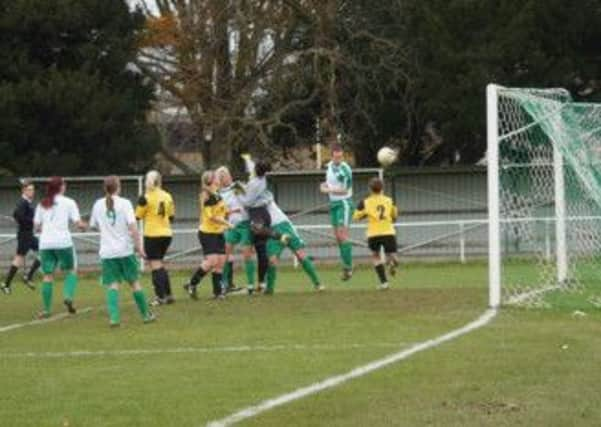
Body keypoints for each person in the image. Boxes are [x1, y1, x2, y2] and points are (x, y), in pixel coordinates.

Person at [89, 176, 155, 327]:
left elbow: (93, 225)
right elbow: (133, 228)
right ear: (118, 187)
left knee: (112, 285)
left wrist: (105, 230)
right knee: (134, 283)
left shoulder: (98, 204)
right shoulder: (125, 203)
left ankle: (114, 319)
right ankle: (146, 315)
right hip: (125, 250)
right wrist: (140, 248)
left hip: (107, 252)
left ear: (105, 188)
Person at [33, 177, 85, 318]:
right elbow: (78, 223)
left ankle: (46, 310)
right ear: (61, 187)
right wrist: (83, 225)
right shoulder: (69, 202)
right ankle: (68, 296)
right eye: (64, 183)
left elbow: (36, 226)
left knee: (48, 276)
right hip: (63, 242)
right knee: (71, 270)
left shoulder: (42, 203)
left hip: (45, 243)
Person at [184, 171, 232, 299]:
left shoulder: (218, 195)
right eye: (216, 177)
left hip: (218, 232)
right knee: (212, 261)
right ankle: (191, 284)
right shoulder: (206, 195)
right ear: (211, 180)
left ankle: (217, 293)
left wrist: (234, 211)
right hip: (207, 233)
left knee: (220, 262)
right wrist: (227, 223)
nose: (219, 178)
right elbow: (211, 217)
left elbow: (223, 211)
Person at [264, 199, 323, 294]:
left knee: (301, 255)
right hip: (272, 231)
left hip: (284, 225)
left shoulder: (265, 196)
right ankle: (269, 289)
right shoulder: (250, 204)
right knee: (272, 260)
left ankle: (318, 284)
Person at [135, 170, 175, 306]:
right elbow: (171, 216)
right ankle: (168, 294)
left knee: (155, 265)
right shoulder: (168, 195)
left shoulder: (146, 197)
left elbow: (137, 216)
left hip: (152, 234)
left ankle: (160, 297)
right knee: (160, 263)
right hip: (167, 234)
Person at [216, 166, 256, 295]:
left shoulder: (237, 186)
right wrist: (230, 212)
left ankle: (251, 285)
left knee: (247, 254)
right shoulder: (218, 194)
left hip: (245, 224)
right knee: (225, 254)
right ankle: (224, 285)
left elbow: (250, 200)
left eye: (226, 175)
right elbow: (220, 213)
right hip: (231, 226)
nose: (226, 178)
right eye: (222, 177)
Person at [353, 177, 399, 290]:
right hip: (388, 231)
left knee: (375, 256)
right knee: (391, 254)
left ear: (370, 189)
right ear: (382, 188)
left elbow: (356, 216)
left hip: (373, 233)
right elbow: (394, 215)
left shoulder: (365, 201)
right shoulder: (389, 200)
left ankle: (384, 283)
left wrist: (365, 214)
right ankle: (393, 262)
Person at [320, 144, 354, 281]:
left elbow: (345, 190)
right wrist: (324, 185)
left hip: (343, 203)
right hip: (333, 204)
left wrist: (327, 190)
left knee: (342, 235)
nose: (338, 158)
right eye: (336, 156)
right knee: (338, 238)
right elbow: (331, 182)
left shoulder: (345, 169)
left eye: (340, 156)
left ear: (342, 155)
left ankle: (348, 267)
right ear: (332, 155)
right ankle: (347, 266)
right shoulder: (329, 166)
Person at [1, 180, 41, 294]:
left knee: (43, 251)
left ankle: (28, 276)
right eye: (29, 190)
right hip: (24, 235)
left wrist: (33, 223)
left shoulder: (27, 202)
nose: (32, 192)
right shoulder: (23, 202)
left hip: (29, 235)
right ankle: (6, 284)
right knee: (18, 259)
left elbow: (19, 216)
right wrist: (32, 222)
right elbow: (17, 215)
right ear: (23, 190)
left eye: (33, 190)